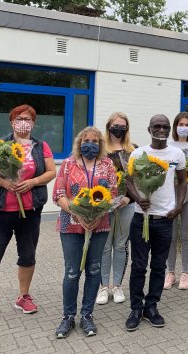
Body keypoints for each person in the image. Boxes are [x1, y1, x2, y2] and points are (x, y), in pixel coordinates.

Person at [0, 105, 56, 330]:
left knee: (27, 256)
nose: (23, 122)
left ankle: (23, 297)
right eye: (19, 118)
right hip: (0, 213)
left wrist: (33, 182)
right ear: (12, 122)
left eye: (28, 119)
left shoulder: (40, 146)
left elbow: (51, 172)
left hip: (29, 212)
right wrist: (4, 182)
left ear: (34, 123)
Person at [53, 126, 118, 338]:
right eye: (86, 140)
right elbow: (59, 193)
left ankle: (87, 315)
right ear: (79, 142)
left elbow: (113, 193)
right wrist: (79, 214)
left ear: (100, 144)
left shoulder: (107, 164)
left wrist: (97, 215)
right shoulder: (68, 164)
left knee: (93, 270)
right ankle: (68, 317)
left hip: (99, 225)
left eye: (95, 140)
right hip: (70, 224)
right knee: (72, 271)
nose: (90, 144)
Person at [124, 114, 187, 332]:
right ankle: (135, 308)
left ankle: (151, 307)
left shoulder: (176, 154)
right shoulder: (139, 153)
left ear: (169, 130)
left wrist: (179, 206)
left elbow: (182, 181)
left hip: (164, 219)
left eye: (165, 127)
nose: (161, 129)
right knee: (139, 266)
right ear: (149, 129)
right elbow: (128, 179)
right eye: (157, 126)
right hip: (141, 218)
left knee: (159, 266)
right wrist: (136, 197)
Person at [96, 112, 136, 305]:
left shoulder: (132, 150)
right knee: (104, 246)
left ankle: (118, 285)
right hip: (104, 205)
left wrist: (128, 198)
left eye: (123, 126)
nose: (119, 129)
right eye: (116, 125)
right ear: (109, 126)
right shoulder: (100, 149)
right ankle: (104, 287)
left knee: (120, 245)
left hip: (126, 205)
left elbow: (137, 179)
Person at [164, 112, 188, 290]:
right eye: (180, 124)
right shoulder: (168, 145)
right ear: (175, 126)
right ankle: (170, 272)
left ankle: (185, 273)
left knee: (187, 236)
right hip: (170, 197)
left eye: (187, 124)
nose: (183, 127)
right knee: (171, 237)